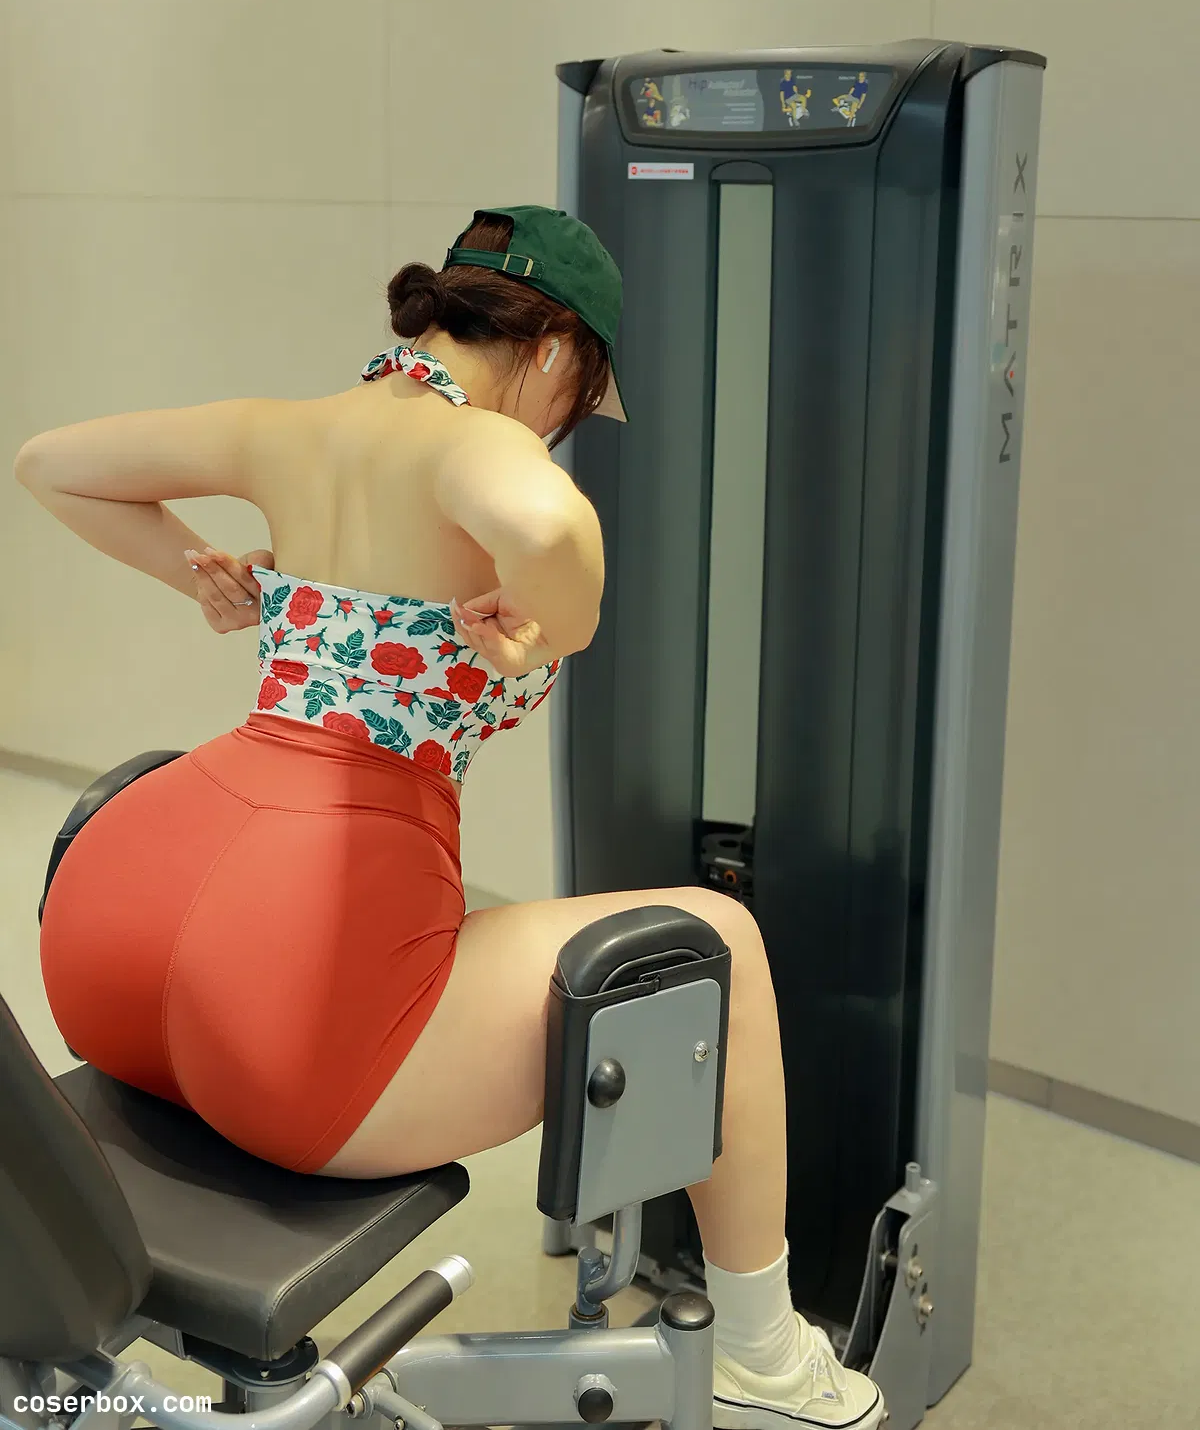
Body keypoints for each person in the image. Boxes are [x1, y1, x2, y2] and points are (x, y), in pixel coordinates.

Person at [17, 206, 883, 1430]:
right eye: (576, 402)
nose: (560, 428)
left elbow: (49, 461)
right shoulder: (474, 441)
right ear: (555, 352)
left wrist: (203, 574)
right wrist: (559, 622)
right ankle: (766, 1358)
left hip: (120, 927)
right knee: (720, 940)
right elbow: (549, 524)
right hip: (287, 1005)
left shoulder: (290, 426)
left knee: (448, 927)